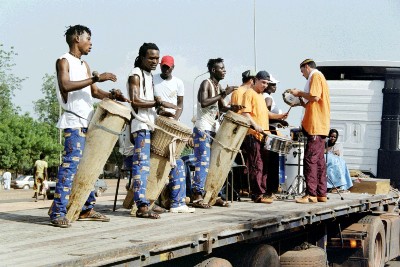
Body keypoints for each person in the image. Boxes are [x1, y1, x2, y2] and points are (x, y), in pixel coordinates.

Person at [49, 25, 130, 228]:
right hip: (74, 123)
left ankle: (85, 209)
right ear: (77, 38)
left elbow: (94, 92)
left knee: (89, 167)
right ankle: (58, 211)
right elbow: (65, 85)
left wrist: (111, 95)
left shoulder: (84, 64)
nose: (91, 43)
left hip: (88, 122)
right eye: (88, 38)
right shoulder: (63, 61)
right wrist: (95, 77)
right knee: (70, 168)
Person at [128, 43, 179, 219]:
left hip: (147, 124)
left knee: (145, 167)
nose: (155, 61)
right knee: (141, 167)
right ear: (142, 57)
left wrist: (159, 111)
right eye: (151, 58)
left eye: (157, 58)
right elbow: (135, 101)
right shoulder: (135, 75)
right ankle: (141, 207)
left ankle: (147, 202)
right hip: (140, 126)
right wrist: (158, 103)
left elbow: (146, 104)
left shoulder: (147, 76)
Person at [192, 58, 236, 208]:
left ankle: (212, 195)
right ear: (213, 70)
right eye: (221, 68)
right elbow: (203, 102)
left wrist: (235, 108)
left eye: (224, 68)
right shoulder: (206, 83)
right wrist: (223, 93)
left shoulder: (218, 86)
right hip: (203, 128)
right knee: (203, 162)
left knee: (215, 163)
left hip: (213, 128)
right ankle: (197, 195)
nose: (224, 70)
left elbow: (221, 107)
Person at [153, 55, 195, 213]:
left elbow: (180, 104)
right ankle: (175, 201)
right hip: (157, 123)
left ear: (173, 67)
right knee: (168, 161)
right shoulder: (153, 79)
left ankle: (177, 201)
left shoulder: (178, 82)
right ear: (160, 66)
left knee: (176, 161)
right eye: (163, 66)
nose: (166, 69)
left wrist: (175, 121)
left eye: (168, 67)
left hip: (172, 126)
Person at [290, 59, 330, 204]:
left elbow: (314, 96)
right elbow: (312, 101)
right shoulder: (318, 77)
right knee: (319, 162)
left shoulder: (315, 76)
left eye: (302, 71)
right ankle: (321, 193)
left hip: (315, 125)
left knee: (310, 160)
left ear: (307, 67)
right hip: (318, 125)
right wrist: (300, 99)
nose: (302, 75)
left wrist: (299, 92)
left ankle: (311, 194)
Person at [241, 71, 274, 204]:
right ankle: (257, 194)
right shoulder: (249, 93)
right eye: (263, 82)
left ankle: (263, 191)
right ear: (256, 80)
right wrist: (255, 125)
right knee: (256, 164)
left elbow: (266, 114)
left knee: (264, 165)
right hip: (253, 135)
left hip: (264, 136)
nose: (265, 85)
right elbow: (245, 113)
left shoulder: (261, 96)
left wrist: (280, 116)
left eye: (267, 83)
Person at [263, 75, 289, 197]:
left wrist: (279, 121)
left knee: (271, 161)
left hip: (271, 129)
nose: (275, 87)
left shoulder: (266, 97)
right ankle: (271, 189)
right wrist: (280, 118)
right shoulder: (267, 98)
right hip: (270, 131)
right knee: (272, 162)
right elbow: (265, 115)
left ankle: (271, 188)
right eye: (273, 84)